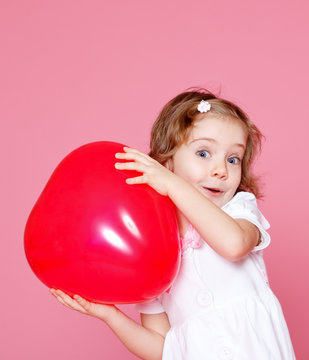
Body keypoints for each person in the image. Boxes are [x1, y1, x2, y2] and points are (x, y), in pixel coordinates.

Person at [50, 89, 295, 359]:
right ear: (165, 162)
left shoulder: (238, 210)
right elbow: (161, 349)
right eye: (203, 153)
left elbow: (233, 244)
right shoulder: (148, 247)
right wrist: (110, 315)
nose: (221, 169)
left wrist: (171, 184)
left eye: (233, 159)